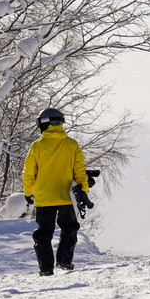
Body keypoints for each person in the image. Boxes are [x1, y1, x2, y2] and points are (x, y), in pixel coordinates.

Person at [22, 107, 92, 275]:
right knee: (70, 229)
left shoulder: (37, 145)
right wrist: (84, 190)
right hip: (66, 197)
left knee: (43, 234)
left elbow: (29, 172)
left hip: (44, 198)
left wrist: (28, 192)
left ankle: (46, 269)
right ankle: (64, 261)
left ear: (43, 124)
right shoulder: (71, 144)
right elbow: (80, 172)